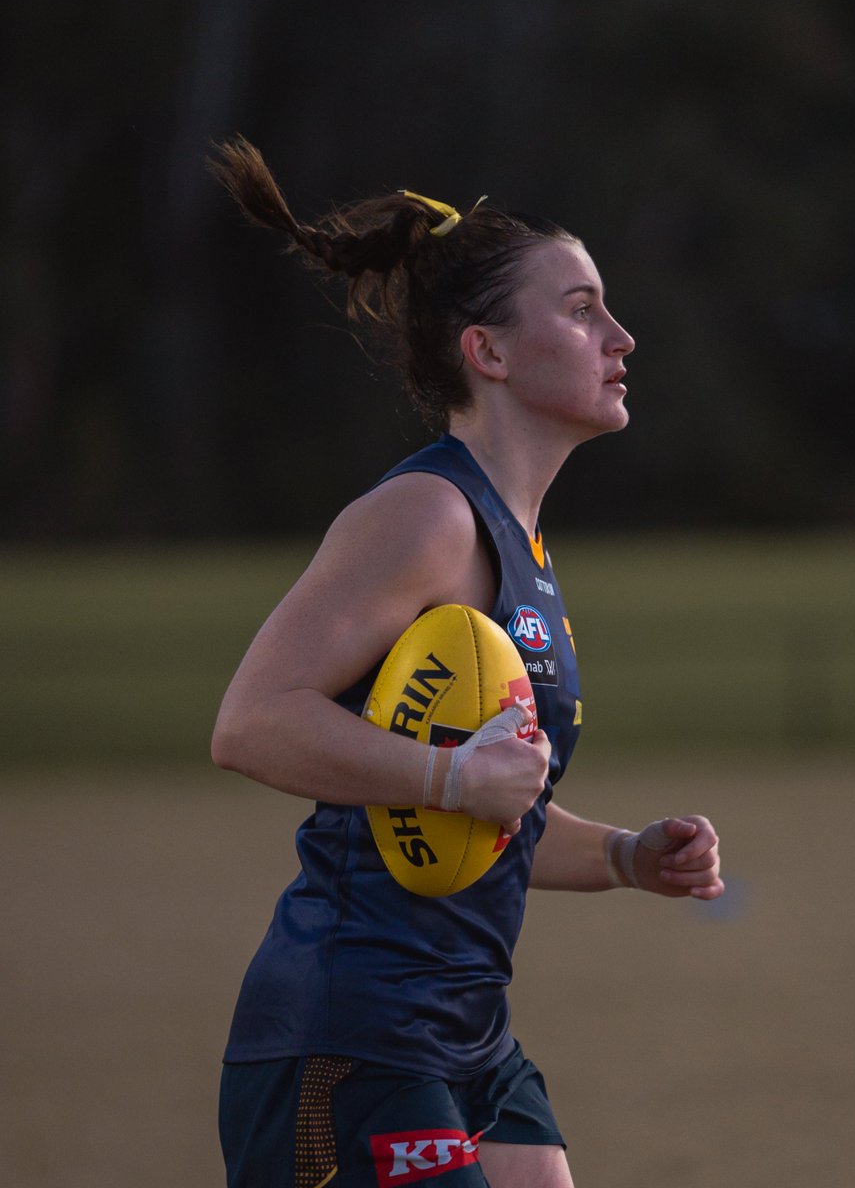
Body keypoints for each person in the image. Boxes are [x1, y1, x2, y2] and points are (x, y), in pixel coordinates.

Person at [207, 137, 723, 1188]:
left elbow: (483, 815)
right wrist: (451, 777)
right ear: (488, 352)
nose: (621, 336)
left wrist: (628, 856)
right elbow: (251, 722)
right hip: (350, 1034)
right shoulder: (428, 515)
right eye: (581, 309)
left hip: (468, 1034)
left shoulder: (519, 546)